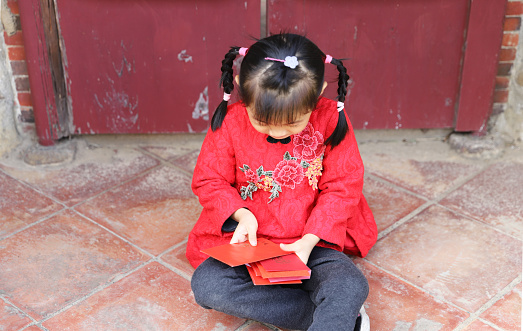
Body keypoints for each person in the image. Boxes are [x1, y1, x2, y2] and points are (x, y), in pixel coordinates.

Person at [186, 33, 377, 331]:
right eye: (262, 121)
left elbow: (343, 186)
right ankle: (331, 318)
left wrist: (308, 242)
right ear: (240, 88)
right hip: (252, 244)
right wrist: (241, 214)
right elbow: (210, 180)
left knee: (349, 284)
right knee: (207, 286)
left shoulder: (330, 117)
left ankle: (333, 309)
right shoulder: (230, 122)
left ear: (319, 92)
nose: (276, 132)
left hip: (311, 241)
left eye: (292, 123)